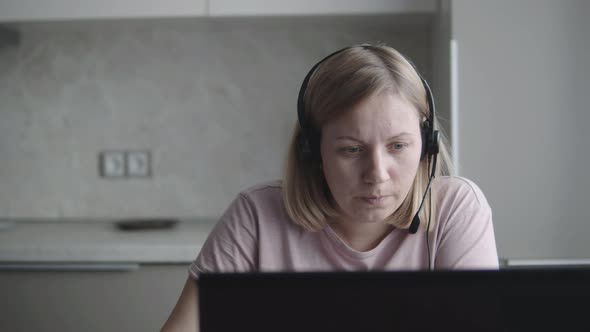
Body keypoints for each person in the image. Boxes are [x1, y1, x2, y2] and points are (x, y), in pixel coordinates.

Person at [161, 44, 499, 331]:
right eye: (351, 150)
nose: (377, 174)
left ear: (427, 145)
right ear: (312, 152)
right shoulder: (256, 215)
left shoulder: (456, 208)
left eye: (398, 146)